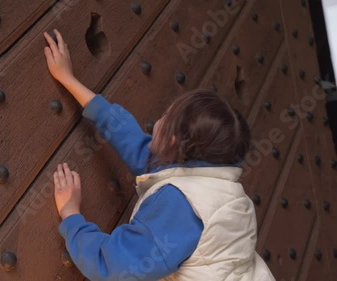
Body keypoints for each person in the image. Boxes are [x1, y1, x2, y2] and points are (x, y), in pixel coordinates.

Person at [43, 29, 275, 281]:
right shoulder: (211, 180)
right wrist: (70, 81)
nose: (159, 119)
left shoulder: (182, 208)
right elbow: (141, 150)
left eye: (166, 116)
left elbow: (116, 268)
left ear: (174, 140)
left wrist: (71, 214)